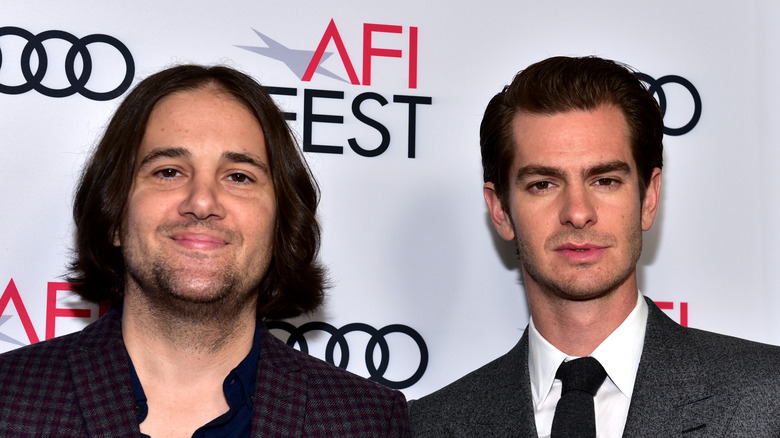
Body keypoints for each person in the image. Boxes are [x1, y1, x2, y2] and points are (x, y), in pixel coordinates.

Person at [0, 64, 410, 437]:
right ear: (113, 217)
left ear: (281, 225)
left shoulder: (366, 422)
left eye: (238, 176)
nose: (202, 202)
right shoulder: (10, 401)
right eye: (169, 172)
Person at [409, 56, 780, 437]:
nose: (578, 212)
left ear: (649, 199)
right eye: (543, 184)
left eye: (604, 180)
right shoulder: (432, 425)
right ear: (501, 210)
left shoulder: (768, 396)